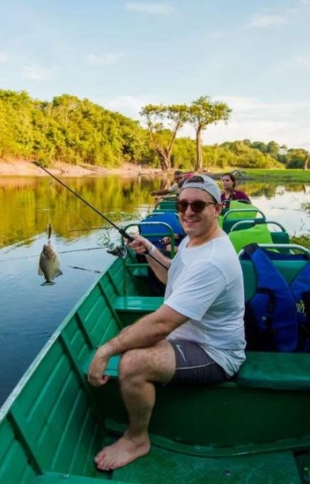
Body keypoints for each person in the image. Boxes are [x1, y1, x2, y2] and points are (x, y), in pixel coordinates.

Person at [87, 175, 245, 471]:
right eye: (183, 204)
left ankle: (137, 439)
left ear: (217, 208)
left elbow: (162, 325)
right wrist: (150, 251)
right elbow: (172, 276)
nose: (188, 212)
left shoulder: (213, 260)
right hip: (187, 336)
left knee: (132, 361)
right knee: (129, 335)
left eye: (198, 205)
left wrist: (105, 351)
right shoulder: (194, 240)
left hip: (215, 354)